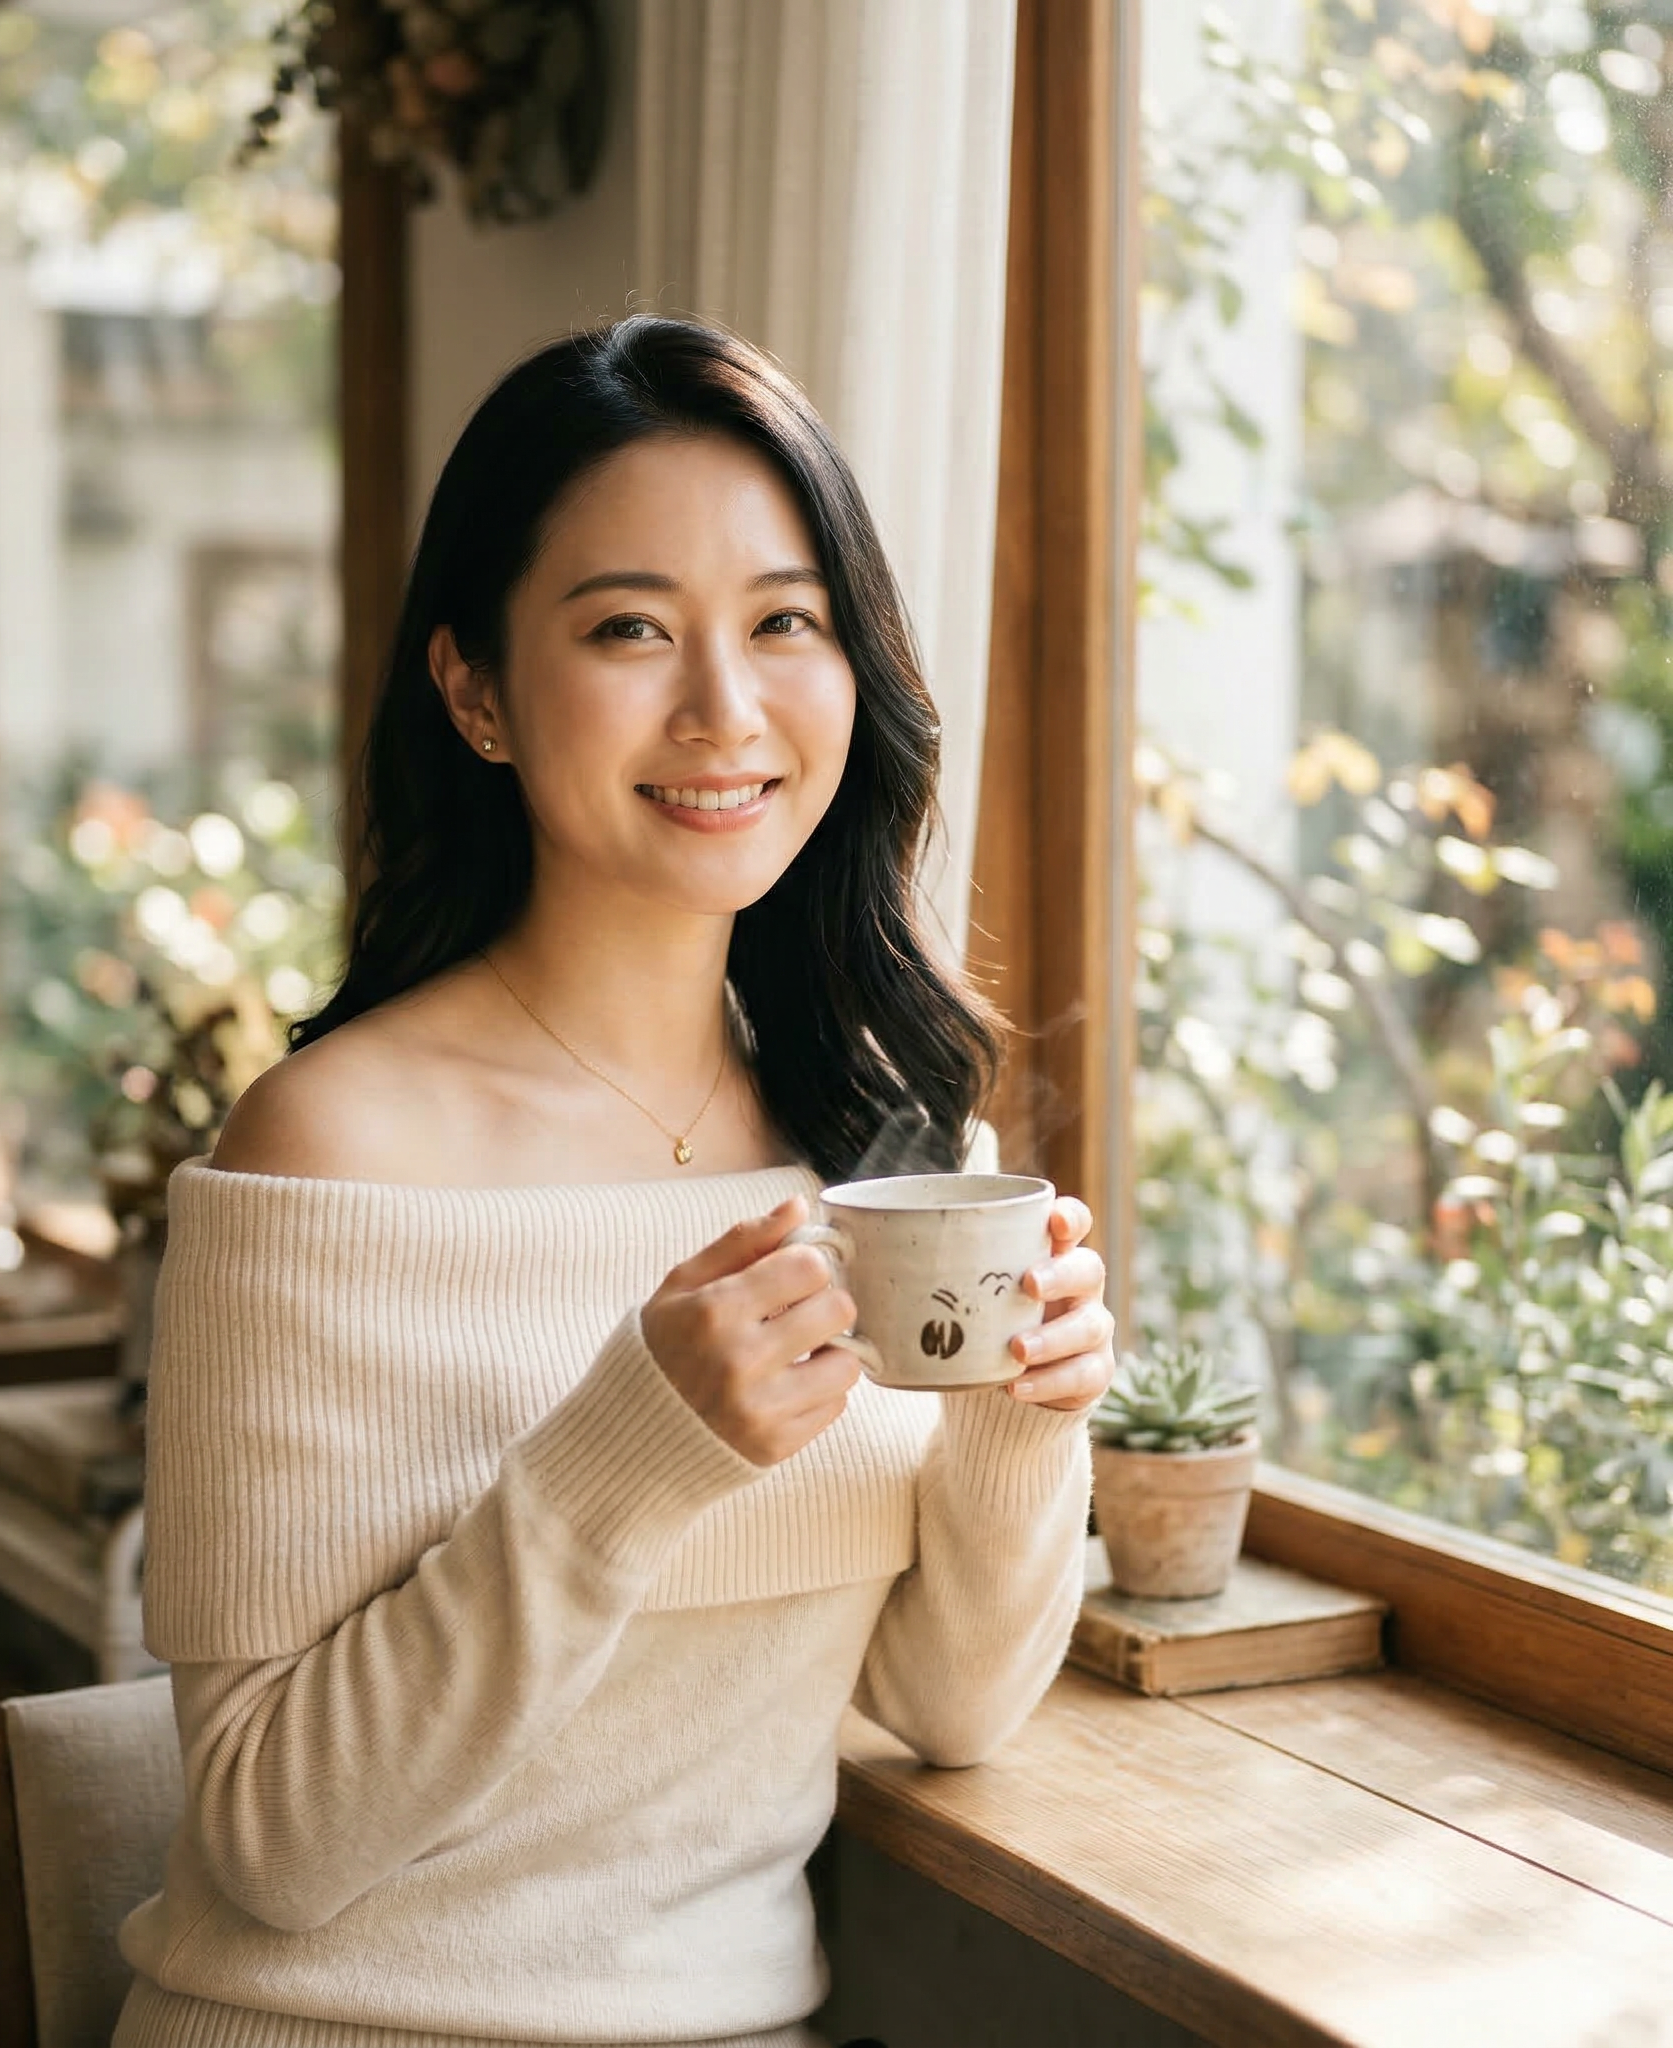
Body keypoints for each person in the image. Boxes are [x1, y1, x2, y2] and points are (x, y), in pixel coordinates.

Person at [113, 315, 1116, 2048]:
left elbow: (951, 1709)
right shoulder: (327, 1146)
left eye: (786, 622)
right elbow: (267, 1839)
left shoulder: (881, 1144)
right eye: (631, 629)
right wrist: (632, 1447)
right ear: (476, 690)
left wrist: (1024, 1417)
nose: (724, 708)